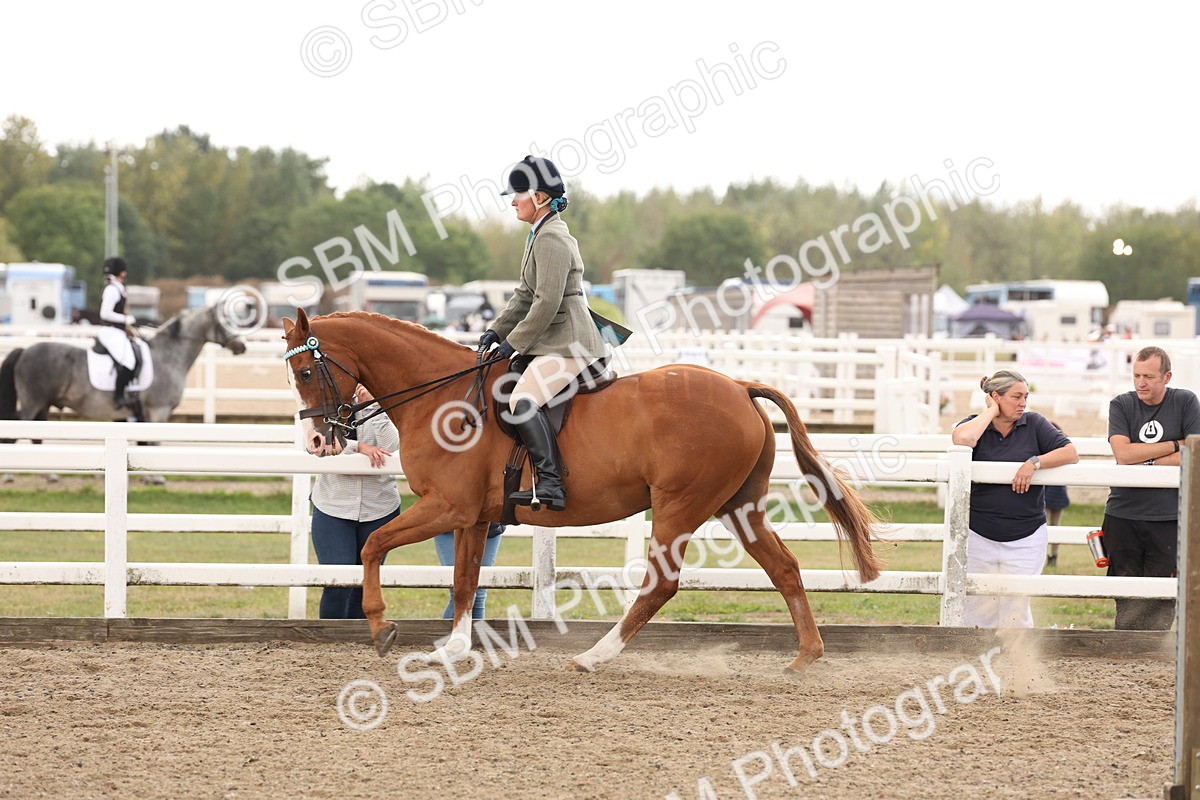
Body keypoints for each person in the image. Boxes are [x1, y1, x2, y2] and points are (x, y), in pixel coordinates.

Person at [478, 154, 628, 512]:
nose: (512, 201)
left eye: (518, 194)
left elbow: (546, 303)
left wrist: (512, 344)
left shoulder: (552, 239)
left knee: (521, 401)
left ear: (541, 198)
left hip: (569, 345)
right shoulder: (538, 235)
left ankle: (551, 483)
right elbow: (524, 295)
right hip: (554, 343)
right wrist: (496, 331)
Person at [952, 370, 1078, 627]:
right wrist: (990, 412)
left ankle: (1017, 659)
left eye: (1026, 396)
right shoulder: (975, 424)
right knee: (977, 604)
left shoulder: (1034, 423)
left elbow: (1070, 453)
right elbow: (962, 439)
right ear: (995, 397)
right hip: (978, 532)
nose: (1023, 403)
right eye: (1016, 397)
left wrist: (1034, 462)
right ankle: (974, 656)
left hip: (1026, 533)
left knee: (1015, 605)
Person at [1103, 346, 1200, 630]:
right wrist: (1173, 444)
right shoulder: (1121, 404)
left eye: (1148, 376)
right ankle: (1126, 648)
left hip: (1168, 515)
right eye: (1136, 375)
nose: (1141, 382)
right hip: (1123, 511)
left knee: (1163, 591)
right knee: (1125, 588)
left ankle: (1154, 652)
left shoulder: (1185, 402)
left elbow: (1193, 451)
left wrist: (1145, 457)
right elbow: (1123, 455)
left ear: (1166, 376)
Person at [310, 384, 401, 619]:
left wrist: (375, 405)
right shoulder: (328, 400)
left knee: (366, 585)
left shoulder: (390, 400)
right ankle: (329, 641)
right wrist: (359, 447)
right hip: (333, 506)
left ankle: (358, 645)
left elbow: (392, 446)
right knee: (337, 585)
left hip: (380, 507)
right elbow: (317, 443)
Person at [432, 523, 506, 619]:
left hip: (489, 527)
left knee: (479, 594)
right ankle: (447, 633)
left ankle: (475, 633)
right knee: (460, 592)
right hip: (449, 525)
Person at [96, 257, 139, 408]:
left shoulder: (118, 288)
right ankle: (118, 397)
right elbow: (105, 314)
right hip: (111, 332)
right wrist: (125, 319)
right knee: (129, 362)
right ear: (122, 273)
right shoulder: (112, 290)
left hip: (117, 332)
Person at [1044, 420, 1071, 567]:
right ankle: (1053, 555)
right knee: (1055, 525)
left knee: (1046, 525)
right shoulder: (1063, 445)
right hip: (1058, 494)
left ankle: (1050, 556)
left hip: (1050, 493)